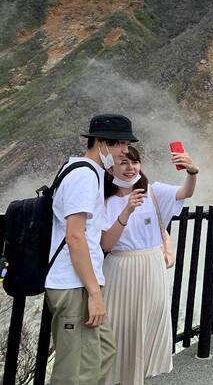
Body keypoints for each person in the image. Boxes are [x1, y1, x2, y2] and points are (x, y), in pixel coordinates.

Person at [46, 114, 136, 385]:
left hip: (83, 282)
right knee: (77, 372)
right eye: (118, 144)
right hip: (74, 284)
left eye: (126, 143)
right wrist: (94, 293)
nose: (124, 151)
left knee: (102, 353)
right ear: (100, 143)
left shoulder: (89, 173)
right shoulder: (84, 175)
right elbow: (75, 237)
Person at [100, 146, 198, 384]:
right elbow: (107, 244)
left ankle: (137, 378)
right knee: (118, 327)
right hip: (120, 268)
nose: (130, 167)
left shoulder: (154, 192)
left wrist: (192, 172)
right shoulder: (105, 201)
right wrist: (127, 210)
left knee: (147, 324)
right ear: (111, 167)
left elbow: (185, 192)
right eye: (123, 163)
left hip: (151, 266)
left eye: (134, 162)